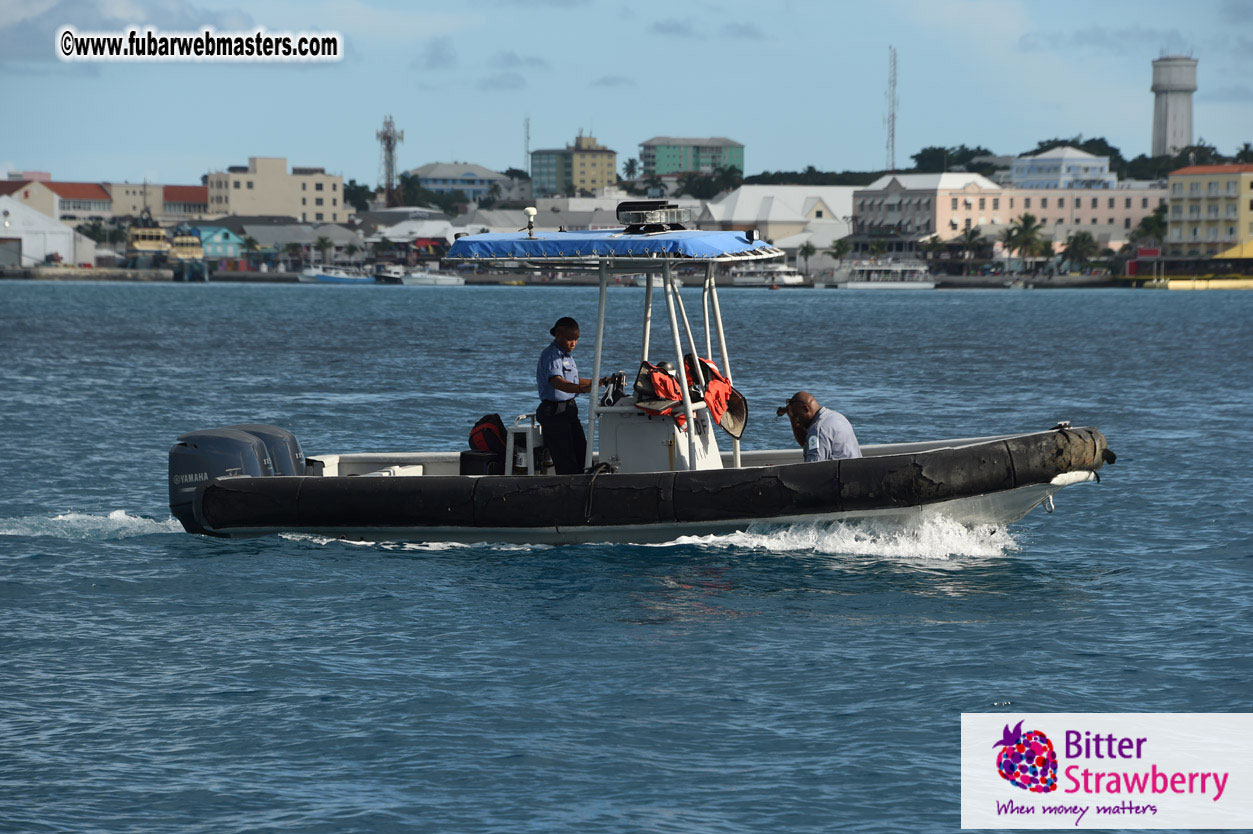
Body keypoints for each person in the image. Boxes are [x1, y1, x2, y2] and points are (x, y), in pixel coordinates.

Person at [535, 316, 602, 475]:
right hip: (554, 412)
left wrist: (599, 382)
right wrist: (583, 389)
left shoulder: (567, 356)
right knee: (566, 459)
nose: (573, 343)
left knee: (582, 453)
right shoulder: (552, 356)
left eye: (576, 339)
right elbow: (558, 382)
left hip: (569, 410)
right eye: (569, 339)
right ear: (558, 335)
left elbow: (574, 381)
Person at [784, 391, 862, 462]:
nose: (796, 422)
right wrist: (792, 418)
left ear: (806, 408)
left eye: (797, 416)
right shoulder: (838, 417)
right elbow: (807, 444)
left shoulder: (818, 429)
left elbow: (813, 467)